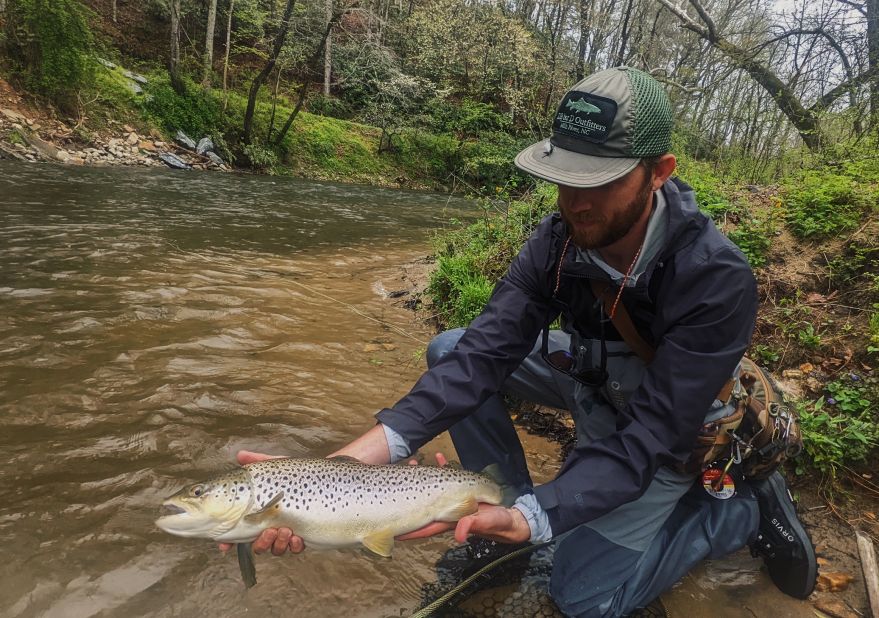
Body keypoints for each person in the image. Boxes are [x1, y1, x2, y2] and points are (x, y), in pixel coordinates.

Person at [228, 67, 817, 616]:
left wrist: (539, 518)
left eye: (599, 181)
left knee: (584, 597)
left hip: (673, 428)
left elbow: (648, 438)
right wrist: (347, 466)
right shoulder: (559, 237)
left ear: (658, 172)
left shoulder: (715, 279)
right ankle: (494, 512)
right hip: (595, 380)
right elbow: (485, 353)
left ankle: (736, 513)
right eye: (563, 177)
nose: (574, 202)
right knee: (452, 348)